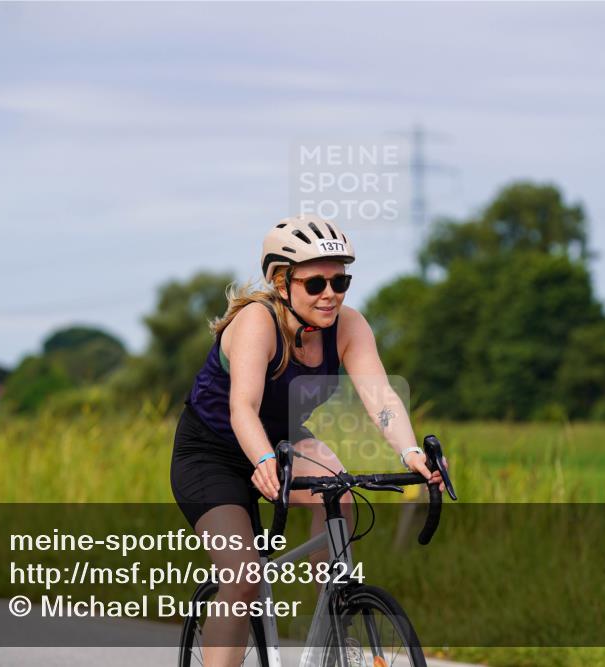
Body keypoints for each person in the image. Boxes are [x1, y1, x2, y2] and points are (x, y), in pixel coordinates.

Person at [170, 214, 447, 666]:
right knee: (243, 578)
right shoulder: (258, 323)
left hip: (282, 442)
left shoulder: (348, 326)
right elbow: (243, 408)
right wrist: (260, 460)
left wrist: (411, 450)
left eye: (341, 282)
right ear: (282, 283)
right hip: (213, 451)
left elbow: (380, 395)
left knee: (338, 487)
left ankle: (337, 622)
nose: (330, 294)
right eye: (315, 283)